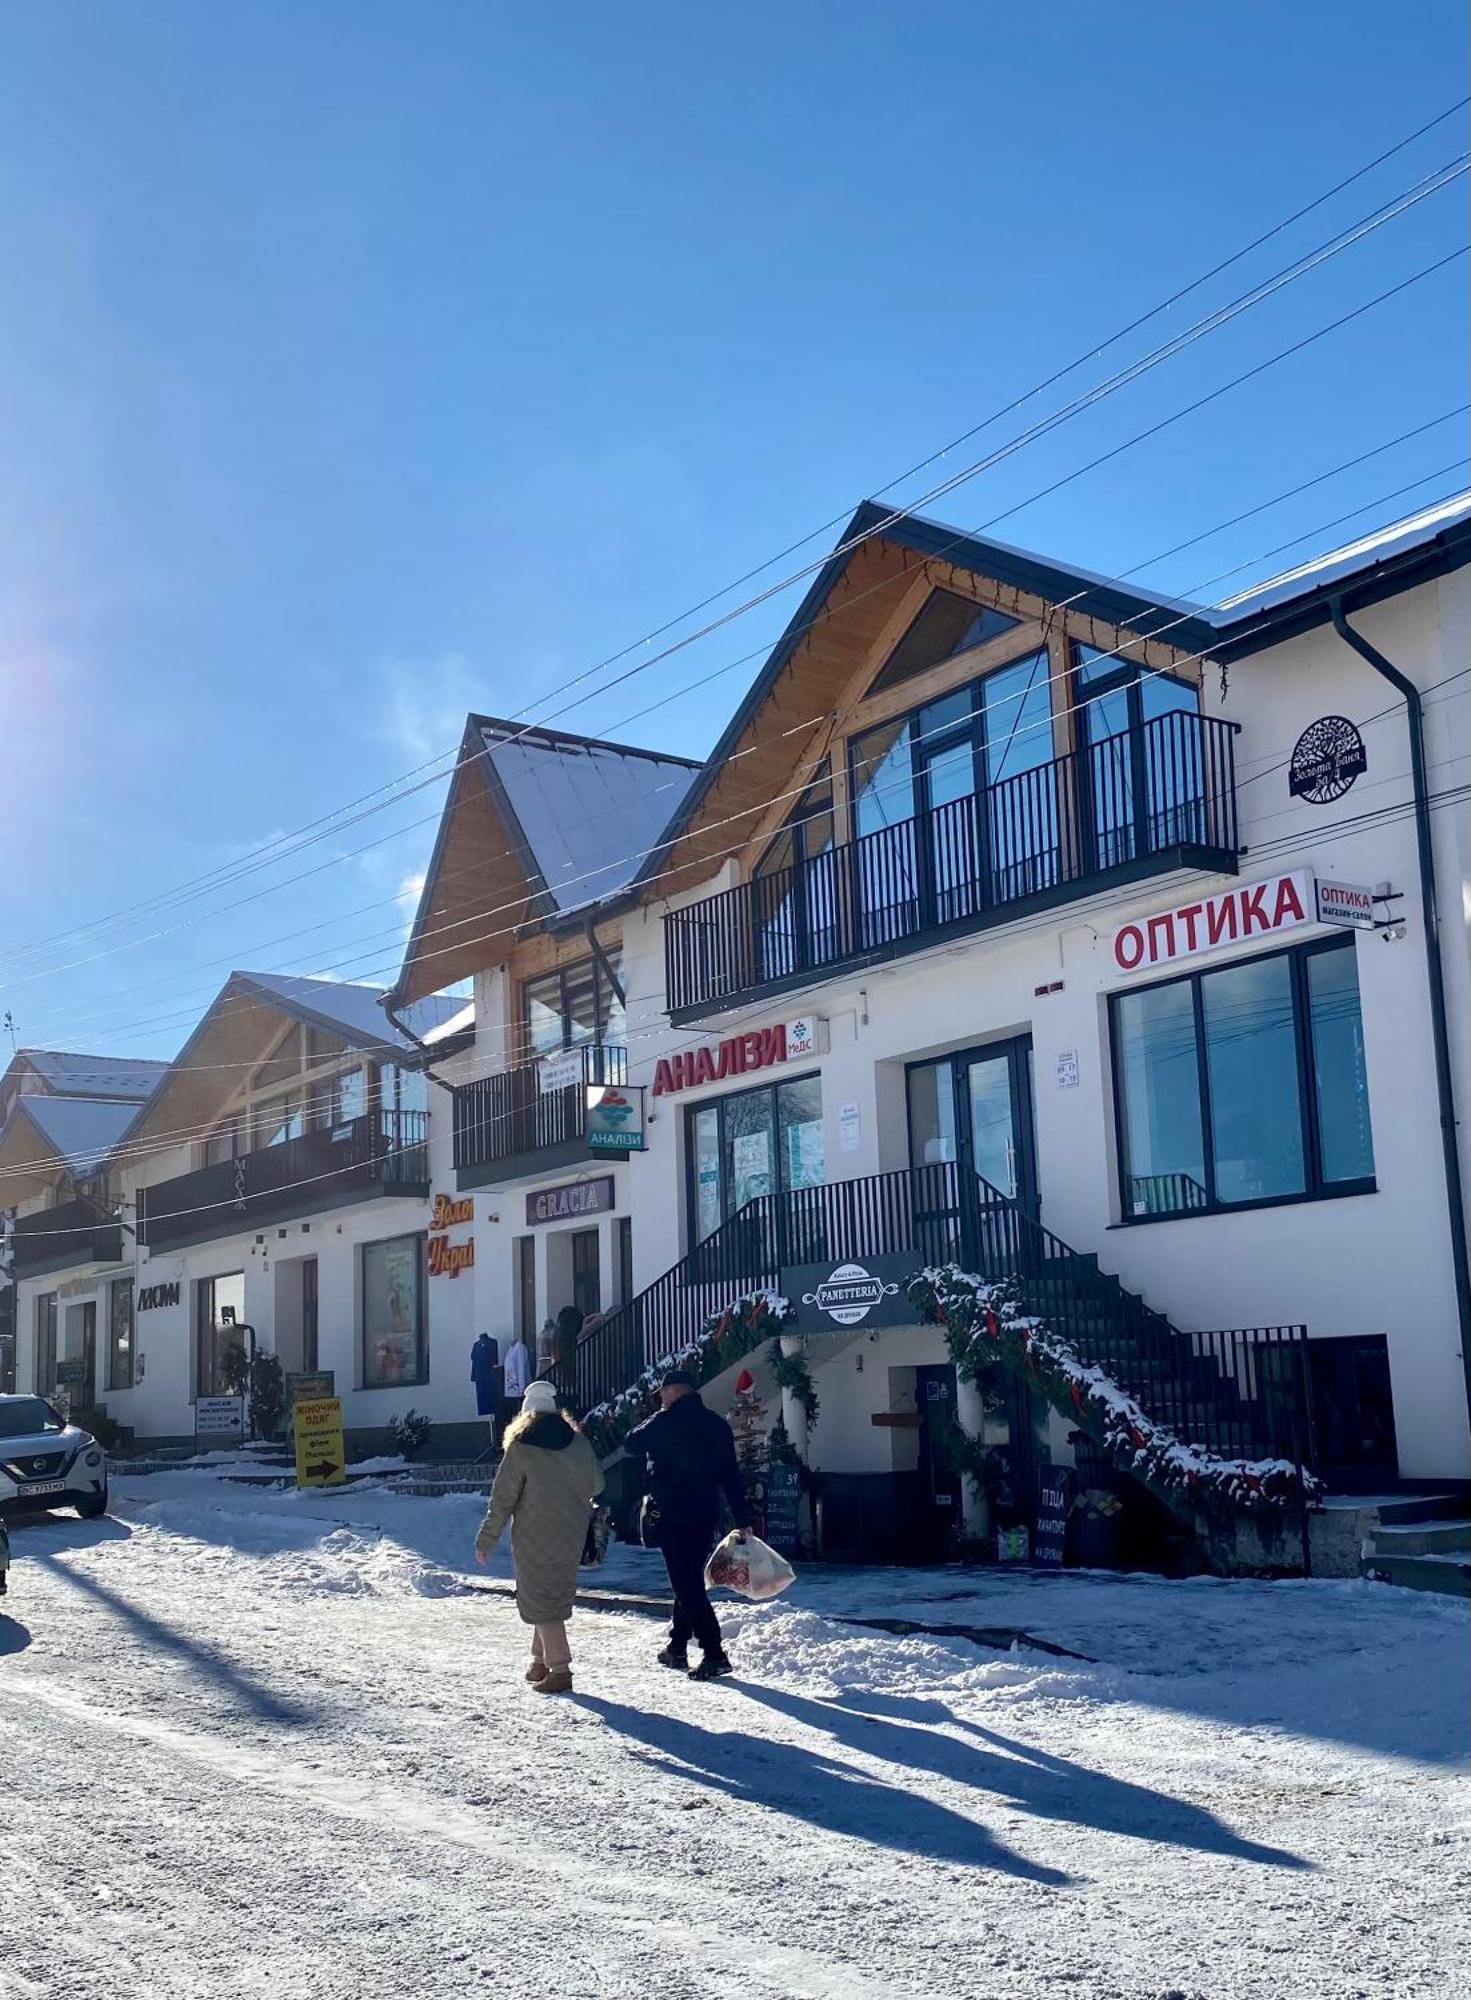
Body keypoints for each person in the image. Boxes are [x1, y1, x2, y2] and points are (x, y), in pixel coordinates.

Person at [473, 1380, 603, 1696]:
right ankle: (539, 1661)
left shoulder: (521, 1448)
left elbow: (502, 1500)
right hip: (572, 1533)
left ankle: (560, 1670)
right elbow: (597, 1485)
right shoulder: (579, 1444)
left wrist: (486, 1539)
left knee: (540, 1598)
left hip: (533, 1535)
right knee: (550, 1594)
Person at [624, 1367, 752, 1682]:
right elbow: (731, 1478)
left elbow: (630, 1443)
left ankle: (714, 1652)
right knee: (690, 1577)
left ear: (676, 1392)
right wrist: (743, 1519)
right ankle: (677, 1645)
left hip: (672, 1516)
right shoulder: (717, 1426)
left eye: (663, 1393)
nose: (661, 1399)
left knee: (687, 1585)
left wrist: (655, 1417)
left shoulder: (663, 1423)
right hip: (705, 1514)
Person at [503, 1329, 532, 1436]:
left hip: (518, 1390)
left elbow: (521, 1369)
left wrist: (522, 1388)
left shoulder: (520, 1348)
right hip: (510, 1389)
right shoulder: (511, 1349)